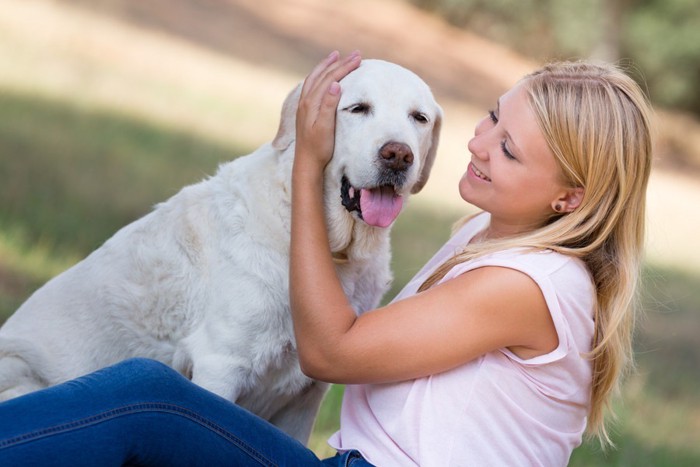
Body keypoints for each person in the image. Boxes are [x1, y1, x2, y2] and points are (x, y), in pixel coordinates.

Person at [0, 51, 653, 466]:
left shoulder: (533, 284)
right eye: (490, 118)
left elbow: (330, 352)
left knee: (147, 400)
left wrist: (309, 162)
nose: (479, 144)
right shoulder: (488, 232)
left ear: (571, 196)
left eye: (509, 151)